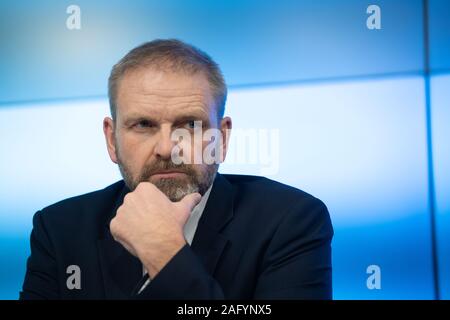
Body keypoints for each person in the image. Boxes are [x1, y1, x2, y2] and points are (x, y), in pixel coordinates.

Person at [20, 39, 333, 299]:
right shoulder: (59, 230)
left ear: (222, 138)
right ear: (111, 140)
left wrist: (164, 252)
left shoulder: (291, 221)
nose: (168, 148)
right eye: (143, 125)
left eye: (191, 125)